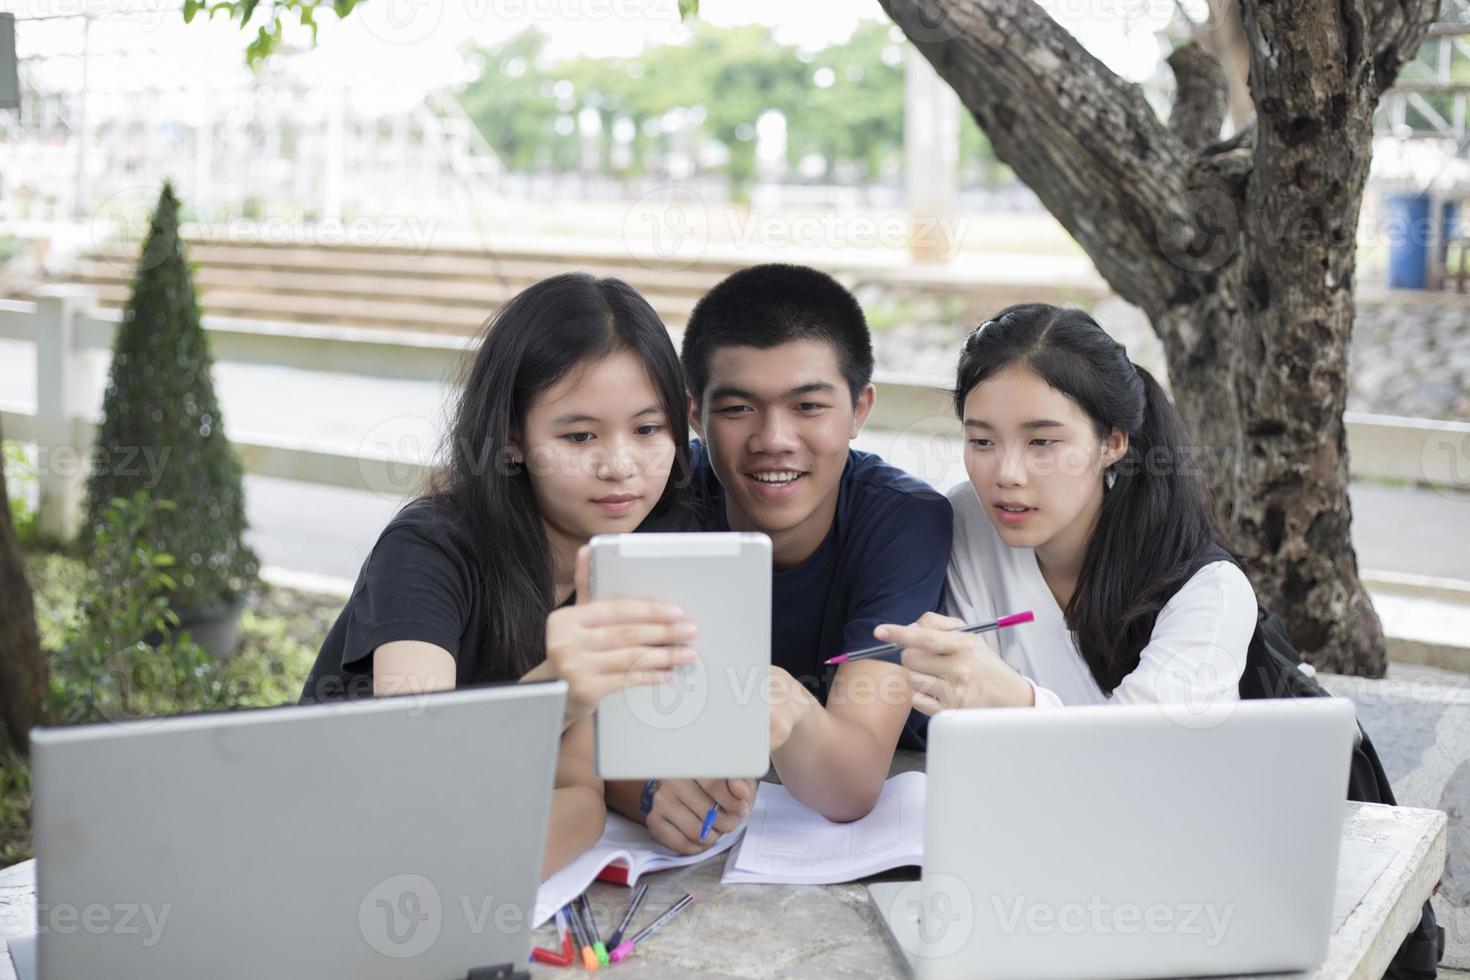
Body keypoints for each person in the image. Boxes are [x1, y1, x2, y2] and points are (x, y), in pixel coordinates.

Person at [299, 273, 702, 877]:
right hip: (330, 841)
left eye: (648, 430)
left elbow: (577, 792)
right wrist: (555, 687)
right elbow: (413, 764)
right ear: (512, 439)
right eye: (580, 435)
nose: (620, 465)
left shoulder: (637, 551)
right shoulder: (428, 549)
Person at [605, 263, 953, 855]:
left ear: (860, 407)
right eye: (738, 409)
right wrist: (641, 789)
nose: (774, 439)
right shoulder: (651, 500)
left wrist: (787, 708)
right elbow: (595, 726)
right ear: (695, 414)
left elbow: (852, 783)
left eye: (809, 407)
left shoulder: (903, 520)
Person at [878, 303, 1257, 713]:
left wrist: (1018, 701)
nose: (1007, 475)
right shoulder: (970, 518)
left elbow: (1145, 761)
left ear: (1112, 443)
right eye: (982, 441)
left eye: (1042, 442)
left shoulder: (1209, 591)